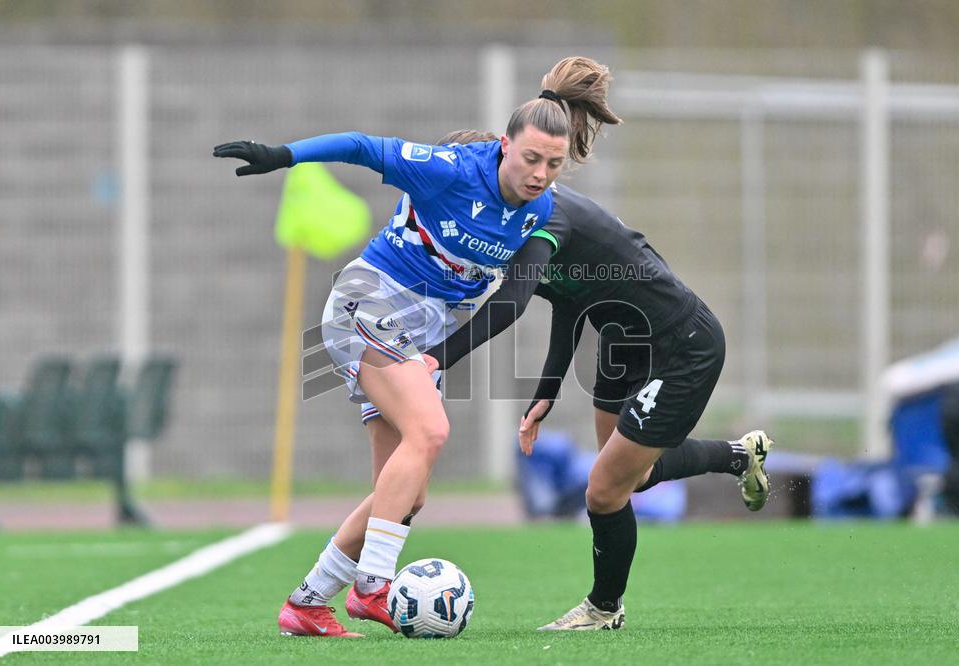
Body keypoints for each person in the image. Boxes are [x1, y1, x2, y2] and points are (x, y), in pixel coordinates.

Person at [213, 56, 621, 638]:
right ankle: (375, 585)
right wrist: (284, 155)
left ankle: (307, 603)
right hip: (371, 301)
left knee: (403, 495)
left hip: (418, 333)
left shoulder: (539, 209)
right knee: (430, 431)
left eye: (553, 164)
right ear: (504, 146)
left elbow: (519, 295)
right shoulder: (451, 169)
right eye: (530, 159)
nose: (540, 173)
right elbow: (360, 145)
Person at [425, 129, 773, 632]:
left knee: (604, 490)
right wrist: (545, 393)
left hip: (681, 345)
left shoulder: (545, 215)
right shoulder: (513, 219)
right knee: (631, 475)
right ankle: (739, 456)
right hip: (621, 346)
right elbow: (567, 301)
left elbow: (513, 302)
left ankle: (604, 608)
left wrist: (437, 359)